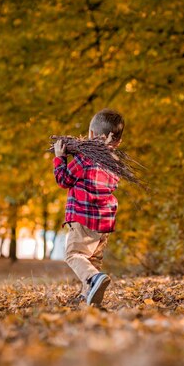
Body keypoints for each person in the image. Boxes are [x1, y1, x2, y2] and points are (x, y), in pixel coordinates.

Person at [53, 108, 124, 307]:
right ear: (117, 141)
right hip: (105, 222)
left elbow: (64, 180)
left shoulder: (85, 160)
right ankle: (89, 296)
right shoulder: (115, 163)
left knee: (74, 255)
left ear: (91, 135)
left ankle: (93, 280)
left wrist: (60, 158)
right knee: (92, 260)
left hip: (84, 218)